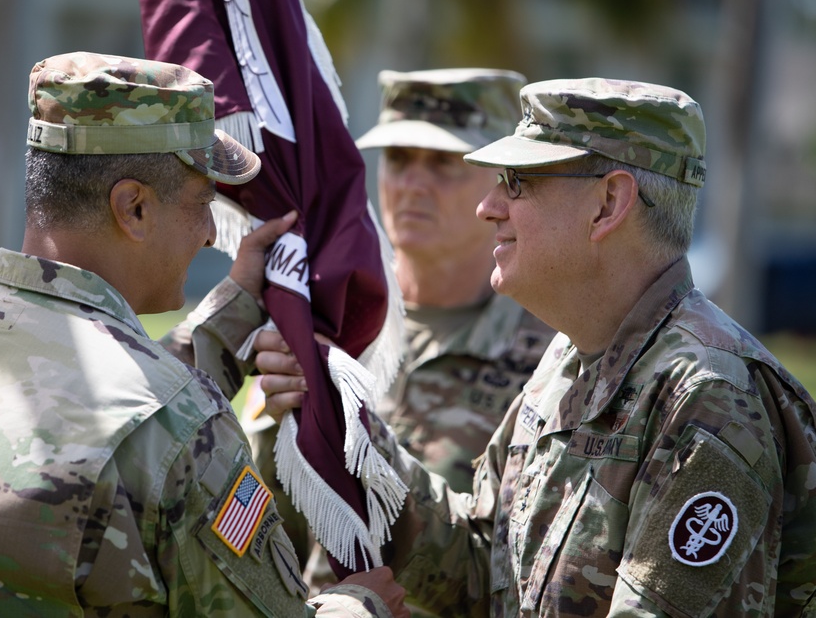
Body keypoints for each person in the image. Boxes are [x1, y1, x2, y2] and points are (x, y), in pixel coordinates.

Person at [0, 51, 408, 617]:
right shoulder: (179, 426)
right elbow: (140, 424)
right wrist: (360, 607)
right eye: (202, 201)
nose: (209, 233)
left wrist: (235, 314)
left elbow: (87, 400)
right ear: (133, 209)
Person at [257, 77, 816, 616]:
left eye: (518, 182)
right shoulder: (569, 361)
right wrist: (349, 425)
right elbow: (480, 567)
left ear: (608, 204)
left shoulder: (708, 397)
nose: (489, 207)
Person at [237, 68, 555, 595]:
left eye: (443, 163)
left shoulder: (551, 358)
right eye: (400, 160)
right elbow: (261, 533)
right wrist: (274, 423)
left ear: (503, 180)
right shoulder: (330, 324)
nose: (412, 184)